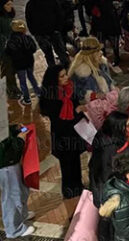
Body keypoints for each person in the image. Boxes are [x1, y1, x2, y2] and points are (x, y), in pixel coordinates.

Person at [39, 65, 86, 199]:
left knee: (75, 161)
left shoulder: (70, 88)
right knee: (67, 165)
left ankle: (78, 186)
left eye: (66, 74)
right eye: (62, 76)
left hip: (74, 132)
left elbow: (76, 104)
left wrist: (79, 109)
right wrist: (76, 112)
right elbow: (58, 120)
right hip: (62, 135)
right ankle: (69, 190)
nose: (66, 77)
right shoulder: (51, 97)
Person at [0, 124, 35, 238]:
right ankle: (14, 229)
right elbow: (5, 149)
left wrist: (13, 129)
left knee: (22, 189)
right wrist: (20, 140)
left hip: (8, 164)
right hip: (4, 166)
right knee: (11, 197)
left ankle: (21, 215)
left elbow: (4, 135)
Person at [89, 112, 129, 207]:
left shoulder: (106, 134)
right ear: (119, 127)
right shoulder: (109, 148)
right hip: (108, 191)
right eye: (128, 125)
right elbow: (106, 172)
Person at [25, 0, 69, 67]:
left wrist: (57, 29)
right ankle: (52, 71)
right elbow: (28, 19)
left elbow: (59, 15)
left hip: (54, 32)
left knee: (61, 52)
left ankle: (66, 69)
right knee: (48, 54)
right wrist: (35, 33)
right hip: (40, 34)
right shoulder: (30, 4)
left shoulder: (51, 1)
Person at [4, 20, 40, 107]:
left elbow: (7, 52)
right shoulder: (27, 38)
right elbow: (34, 48)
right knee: (31, 77)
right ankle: (38, 93)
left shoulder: (11, 41)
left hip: (19, 64)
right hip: (29, 62)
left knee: (22, 81)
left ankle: (27, 99)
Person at [69, 37, 115, 103]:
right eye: (97, 51)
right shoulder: (82, 72)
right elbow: (78, 93)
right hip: (93, 107)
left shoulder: (102, 65)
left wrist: (113, 89)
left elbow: (109, 82)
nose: (101, 53)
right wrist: (93, 96)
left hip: (107, 102)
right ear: (90, 54)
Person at [87, 0, 122, 66]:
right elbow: (88, 10)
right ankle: (103, 60)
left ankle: (117, 59)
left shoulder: (111, 0)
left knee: (114, 45)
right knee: (101, 45)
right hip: (99, 26)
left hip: (111, 26)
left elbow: (111, 12)